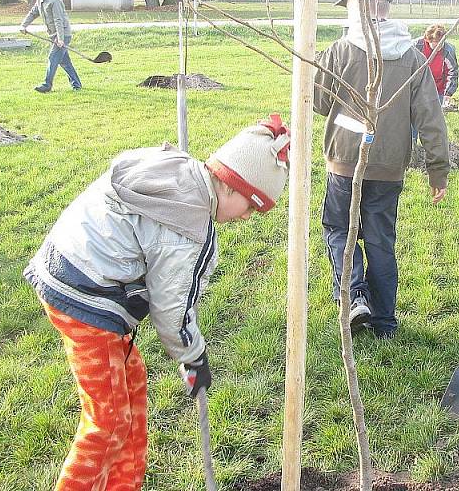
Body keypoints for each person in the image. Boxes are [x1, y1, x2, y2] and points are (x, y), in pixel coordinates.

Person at [23, 116, 290, 490]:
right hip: (87, 297)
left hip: (66, 269)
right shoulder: (188, 225)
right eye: (251, 207)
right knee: (109, 419)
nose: (247, 217)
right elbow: (172, 307)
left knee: (132, 388)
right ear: (231, 186)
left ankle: (122, 484)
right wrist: (193, 357)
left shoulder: (178, 168)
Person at [315, 0, 450, 339]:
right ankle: (384, 323)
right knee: (380, 240)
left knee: (339, 229)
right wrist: (438, 171)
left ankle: (354, 295)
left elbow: (319, 103)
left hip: (344, 160)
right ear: (387, 7)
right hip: (389, 167)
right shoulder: (412, 56)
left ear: (358, 7)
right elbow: (430, 118)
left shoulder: (340, 51)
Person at [19, 0, 82, 93]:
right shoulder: (40, 1)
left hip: (63, 35)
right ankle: (77, 85)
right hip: (54, 36)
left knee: (52, 58)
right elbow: (33, 13)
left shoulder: (54, 1)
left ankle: (47, 85)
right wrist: (23, 25)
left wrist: (61, 38)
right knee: (65, 62)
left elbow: (59, 21)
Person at [414, 24, 459, 109]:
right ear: (427, 40)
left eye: (441, 43)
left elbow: (452, 73)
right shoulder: (417, 46)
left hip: (438, 90)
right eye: (436, 44)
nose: (439, 46)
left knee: (436, 118)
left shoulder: (448, 51)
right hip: (418, 89)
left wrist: (448, 94)